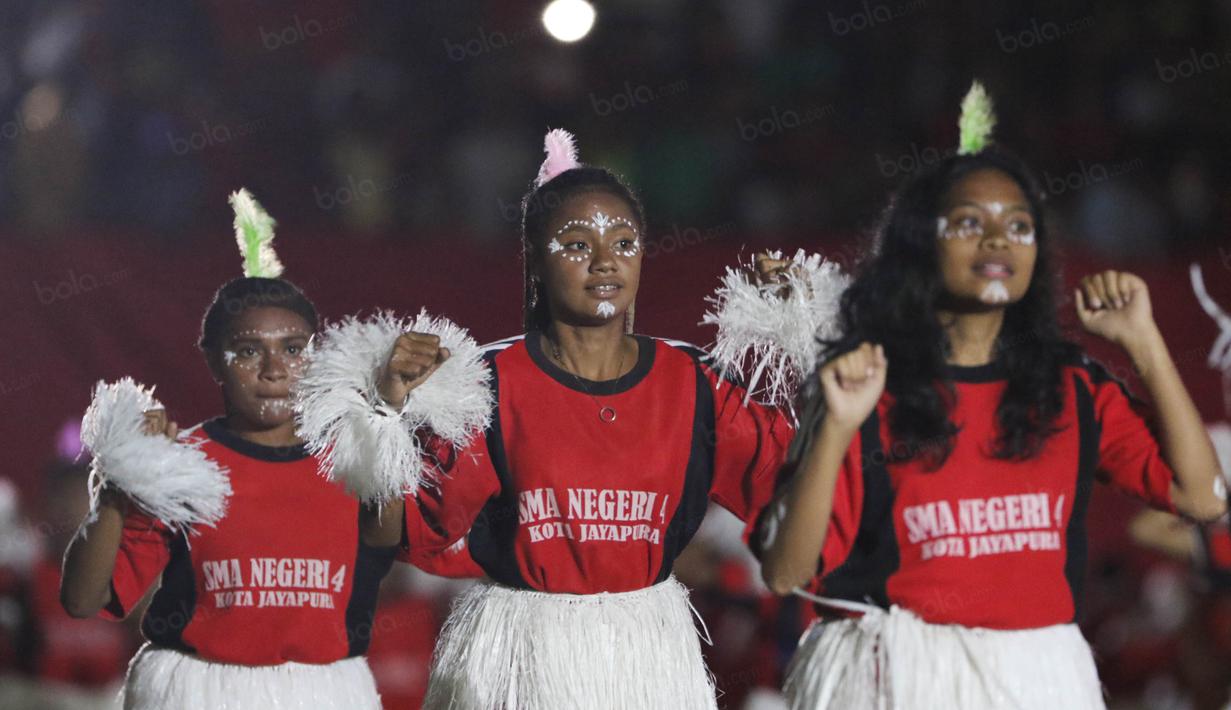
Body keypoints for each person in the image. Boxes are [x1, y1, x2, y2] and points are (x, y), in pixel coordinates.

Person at [295, 128, 845, 709]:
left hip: (649, 656)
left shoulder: (695, 383)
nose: (605, 260)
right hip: (520, 656)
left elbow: (806, 504)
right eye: (577, 244)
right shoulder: (485, 383)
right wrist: (386, 413)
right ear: (536, 260)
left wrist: (811, 334)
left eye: (624, 243)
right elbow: (391, 532)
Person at [756, 83, 1228, 709]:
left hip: (1037, 679)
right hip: (902, 680)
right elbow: (786, 572)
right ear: (922, 242)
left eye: (1019, 226)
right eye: (971, 223)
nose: (999, 240)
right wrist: (837, 427)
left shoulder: (1072, 386)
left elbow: (1202, 496)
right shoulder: (868, 381)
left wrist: (1144, 343)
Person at [60, 190, 468, 709]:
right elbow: (81, 601)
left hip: (323, 693)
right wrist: (119, 483)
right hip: (199, 694)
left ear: (316, 355)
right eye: (249, 350)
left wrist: (387, 411)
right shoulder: (180, 463)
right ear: (214, 362)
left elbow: (390, 536)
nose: (275, 370)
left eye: (293, 349)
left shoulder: (356, 454)